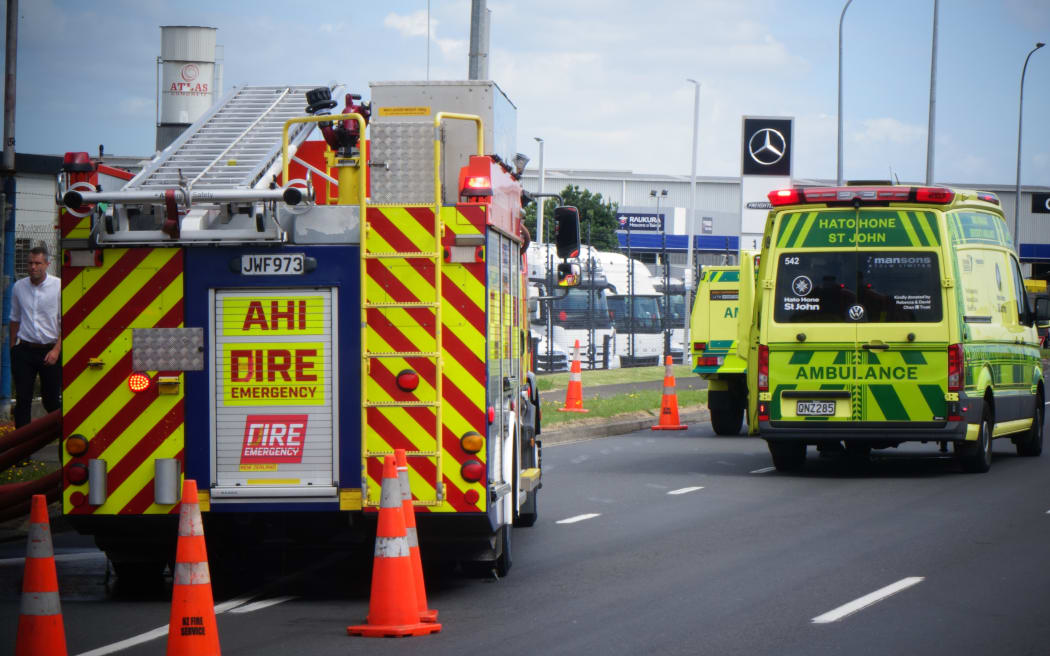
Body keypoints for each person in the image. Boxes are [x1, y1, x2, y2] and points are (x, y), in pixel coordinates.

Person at [9, 246, 61, 428]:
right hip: (24, 350)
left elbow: (66, 321)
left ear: (47, 264)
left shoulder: (58, 286)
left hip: (50, 351)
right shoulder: (19, 287)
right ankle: (22, 452)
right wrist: (12, 346)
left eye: (38, 263)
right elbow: (14, 318)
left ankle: (62, 438)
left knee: (51, 400)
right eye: (30, 263)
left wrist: (56, 349)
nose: (33, 267)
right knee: (22, 400)